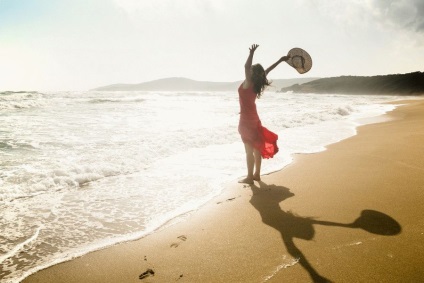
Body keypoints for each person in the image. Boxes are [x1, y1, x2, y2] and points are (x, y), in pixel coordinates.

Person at [238, 44, 290, 184]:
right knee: (256, 148)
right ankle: (257, 175)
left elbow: (246, 67)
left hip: (246, 121)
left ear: (252, 73)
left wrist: (251, 53)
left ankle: (249, 177)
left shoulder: (248, 82)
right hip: (255, 119)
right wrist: (280, 60)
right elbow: (267, 71)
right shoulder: (257, 84)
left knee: (249, 150)